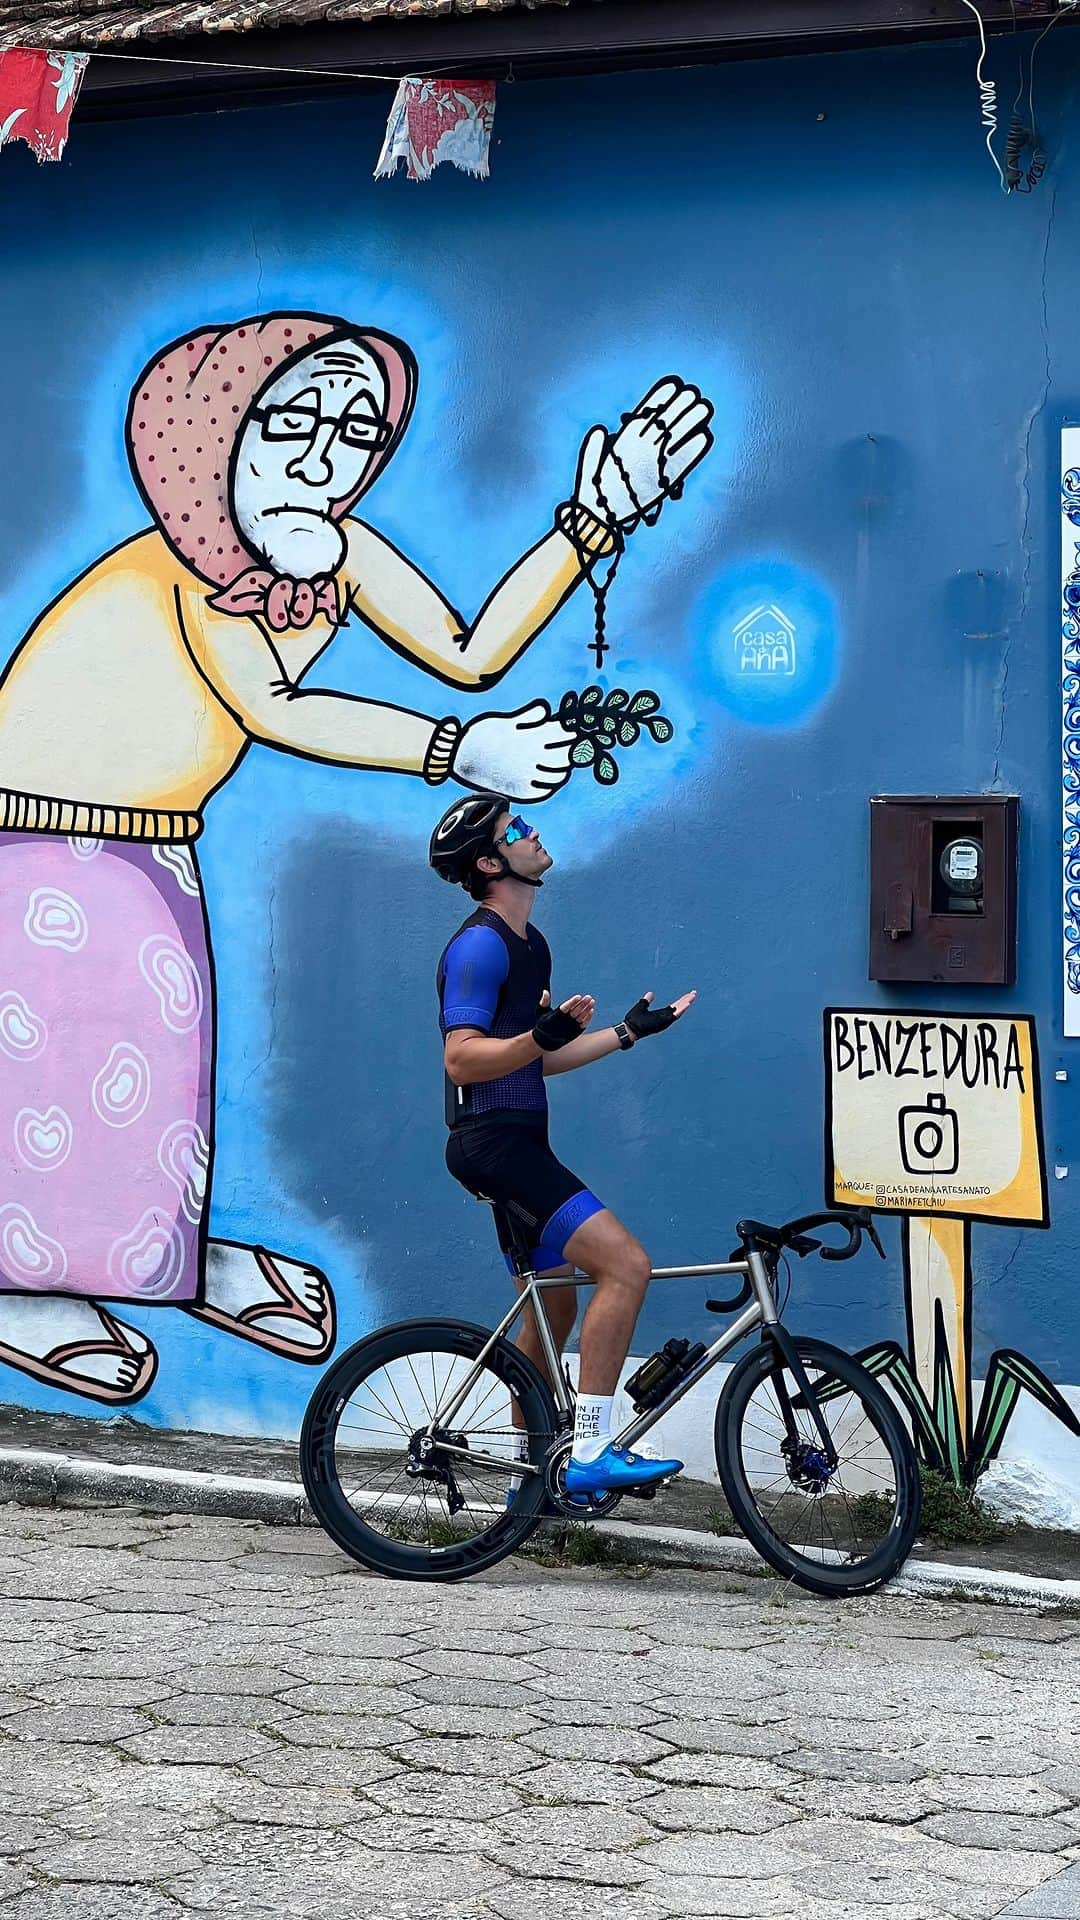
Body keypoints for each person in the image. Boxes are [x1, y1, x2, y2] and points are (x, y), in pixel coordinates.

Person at [430, 792, 696, 1496]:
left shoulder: (531, 944)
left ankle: (529, 1480)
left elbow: (532, 1057)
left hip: (516, 1138)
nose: (533, 830)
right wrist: (538, 1036)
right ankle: (589, 1451)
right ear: (490, 861)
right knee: (627, 1266)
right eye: (515, 828)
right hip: (494, 1145)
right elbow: (463, 1059)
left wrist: (629, 1033)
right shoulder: (480, 945)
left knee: (553, 1307)